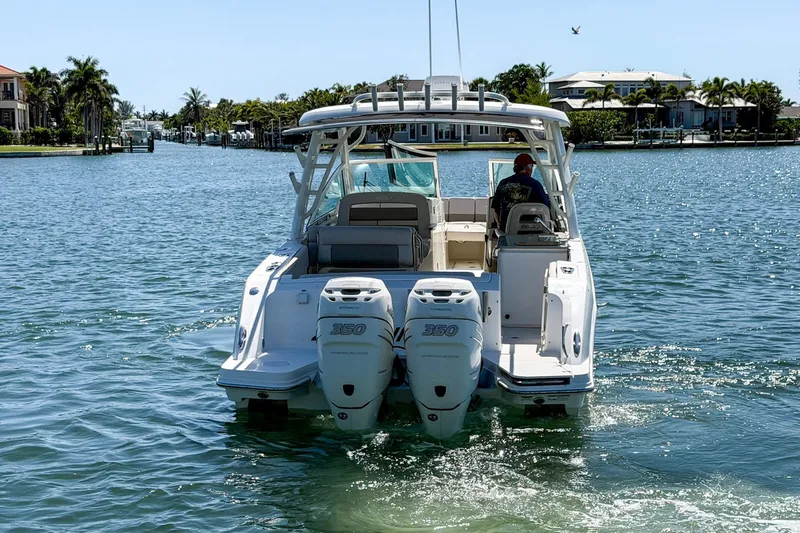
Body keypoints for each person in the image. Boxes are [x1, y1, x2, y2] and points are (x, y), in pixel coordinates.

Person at [491, 153, 551, 231]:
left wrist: (501, 226)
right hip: (531, 231)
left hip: (507, 230)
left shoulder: (503, 183)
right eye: (532, 166)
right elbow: (545, 208)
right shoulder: (535, 185)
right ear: (528, 167)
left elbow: (496, 210)